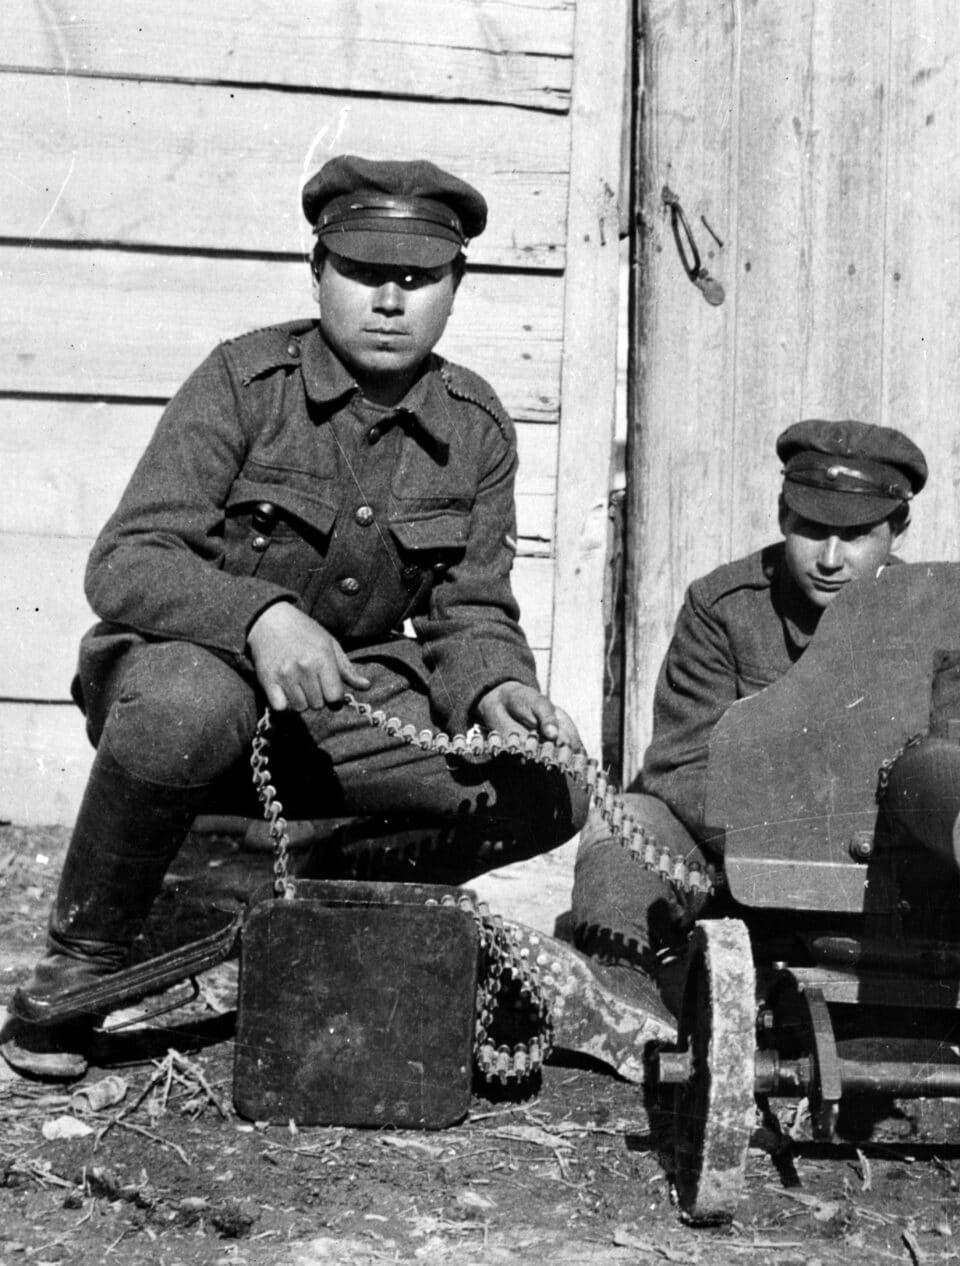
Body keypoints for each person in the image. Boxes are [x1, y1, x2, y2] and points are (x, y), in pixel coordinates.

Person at [1, 155, 669, 1083]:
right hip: (192, 680)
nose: (389, 301)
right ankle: (88, 958)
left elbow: (467, 606)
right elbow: (127, 561)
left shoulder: (475, 425)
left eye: (417, 278)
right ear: (317, 271)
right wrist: (261, 616)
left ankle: (308, 912)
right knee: (189, 703)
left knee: (544, 786)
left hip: (344, 716)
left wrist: (499, 686)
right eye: (362, 273)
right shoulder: (243, 382)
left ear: (454, 286)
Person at [571, 419, 960, 1064]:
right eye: (812, 530)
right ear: (783, 516)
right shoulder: (724, 607)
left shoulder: (941, 618)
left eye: (857, 535)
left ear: (898, 531)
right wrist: (799, 831)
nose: (831, 558)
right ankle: (619, 996)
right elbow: (684, 764)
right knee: (626, 824)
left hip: (905, 866)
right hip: (755, 861)